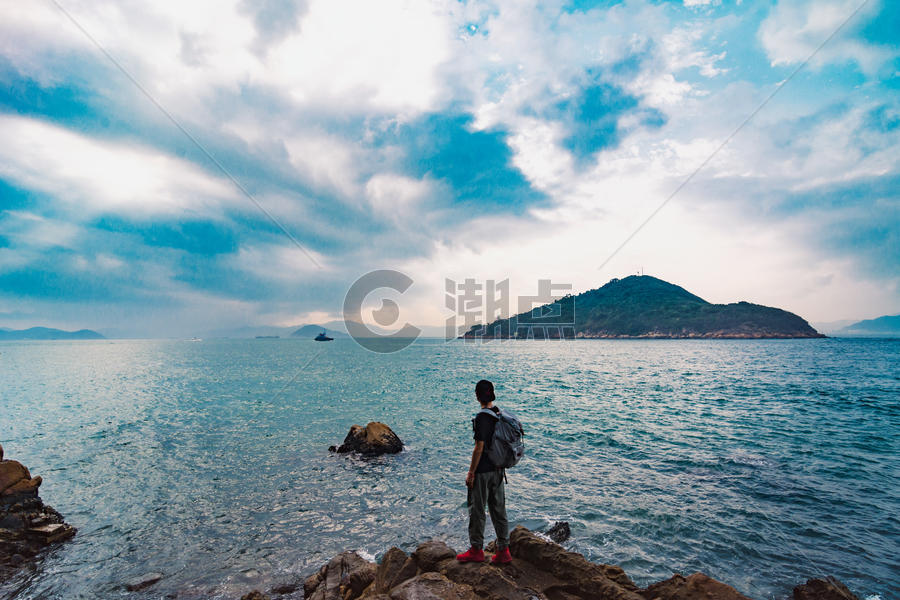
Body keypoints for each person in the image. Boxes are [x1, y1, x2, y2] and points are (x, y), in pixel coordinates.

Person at [456, 379, 511, 564]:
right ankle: (504, 551)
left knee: (477, 510)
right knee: (499, 510)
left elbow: (479, 447)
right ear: (492, 394)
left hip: (483, 472)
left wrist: (471, 472)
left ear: (478, 396)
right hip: (498, 470)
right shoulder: (499, 413)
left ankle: (476, 550)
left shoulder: (482, 417)